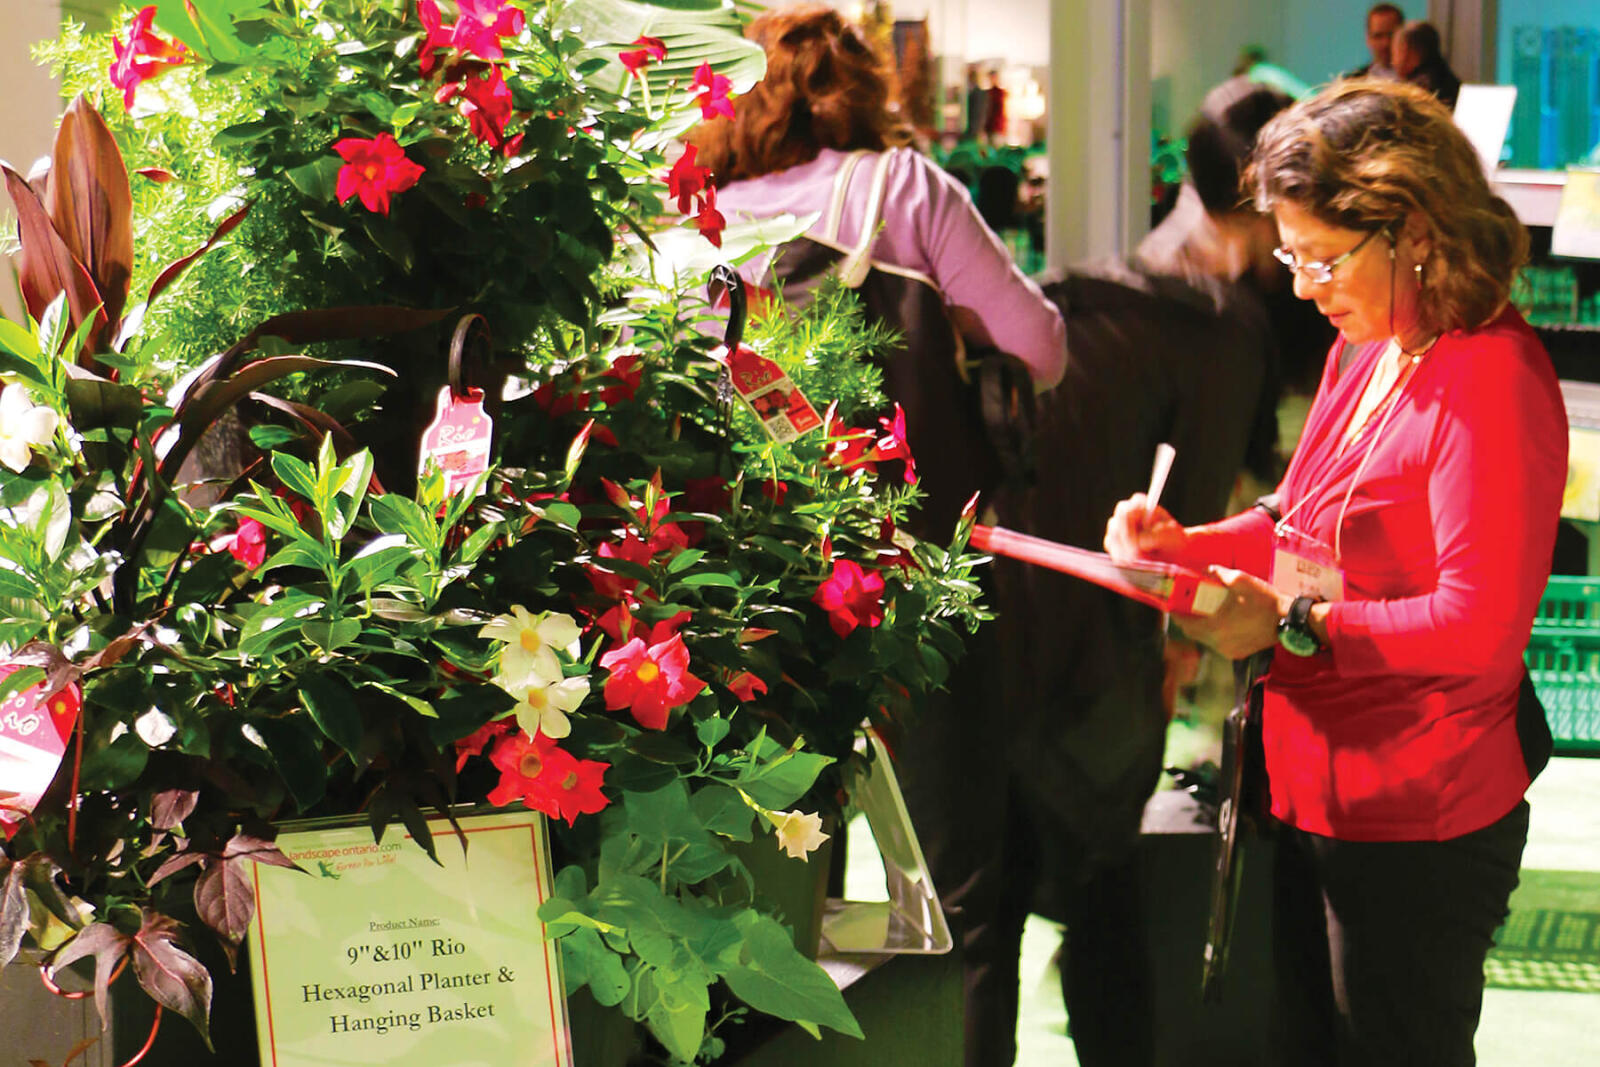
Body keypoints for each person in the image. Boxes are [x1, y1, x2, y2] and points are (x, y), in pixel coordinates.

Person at [1104, 80, 1565, 1066]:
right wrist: (1182, 545)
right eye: (1290, 255)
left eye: (1319, 256)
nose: (1303, 284)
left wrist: (1296, 621)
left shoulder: (1486, 376)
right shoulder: (1372, 341)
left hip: (1418, 806)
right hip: (1317, 781)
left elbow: (1478, 631)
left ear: (1411, 229)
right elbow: (1294, 516)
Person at [695, 8, 1065, 393]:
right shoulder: (902, 185)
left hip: (720, 449)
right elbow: (1040, 351)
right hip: (888, 451)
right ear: (865, 92)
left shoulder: (699, 214)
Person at [1393, 20, 1461, 109]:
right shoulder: (1449, 81)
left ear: (1406, 51)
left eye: (1394, 52)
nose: (1393, 62)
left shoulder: (1414, 93)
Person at [1346, 3, 1404, 79]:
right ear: (1368, 39)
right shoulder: (1353, 83)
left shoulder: (1421, 82)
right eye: (1378, 36)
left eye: (1392, 35)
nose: (1385, 43)